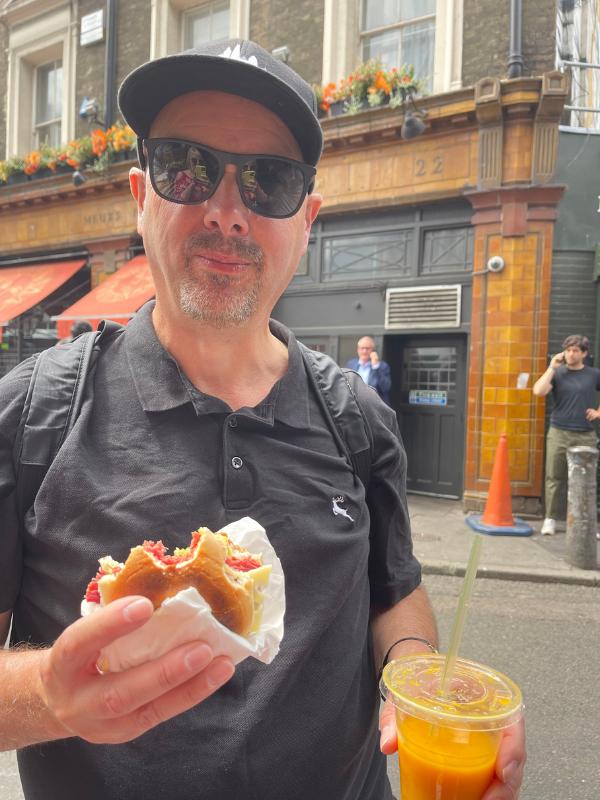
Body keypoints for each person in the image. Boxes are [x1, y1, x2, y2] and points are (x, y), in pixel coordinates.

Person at [0, 39, 524, 800]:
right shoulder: (32, 415)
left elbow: (394, 594)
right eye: (187, 167)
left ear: (306, 221)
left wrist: (418, 686)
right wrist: (49, 692)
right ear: (141, 196)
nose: (227, 212)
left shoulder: (360, 420)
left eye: (268, 182)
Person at [533, 334, 600, 535]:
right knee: (554, 476)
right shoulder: (558, 373)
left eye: (575, 350)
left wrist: (598, 412)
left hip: (585, 433)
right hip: (559, 431)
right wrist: (552, 367)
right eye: (568, 350)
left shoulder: (593, 374)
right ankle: (550, 518)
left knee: (587, 479)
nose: (571, 354)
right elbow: (538, 391)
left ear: (584, 353)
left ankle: (588, 523)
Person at [346, 335, 392, 405]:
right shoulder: (351, 364)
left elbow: (385, 388)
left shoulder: (382, 366)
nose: (364, 351)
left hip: (374, 406)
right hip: (355, 405)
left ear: (372, 350)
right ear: (358, 349)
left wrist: (376, 367)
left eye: (367, 348)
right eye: (362, 348)